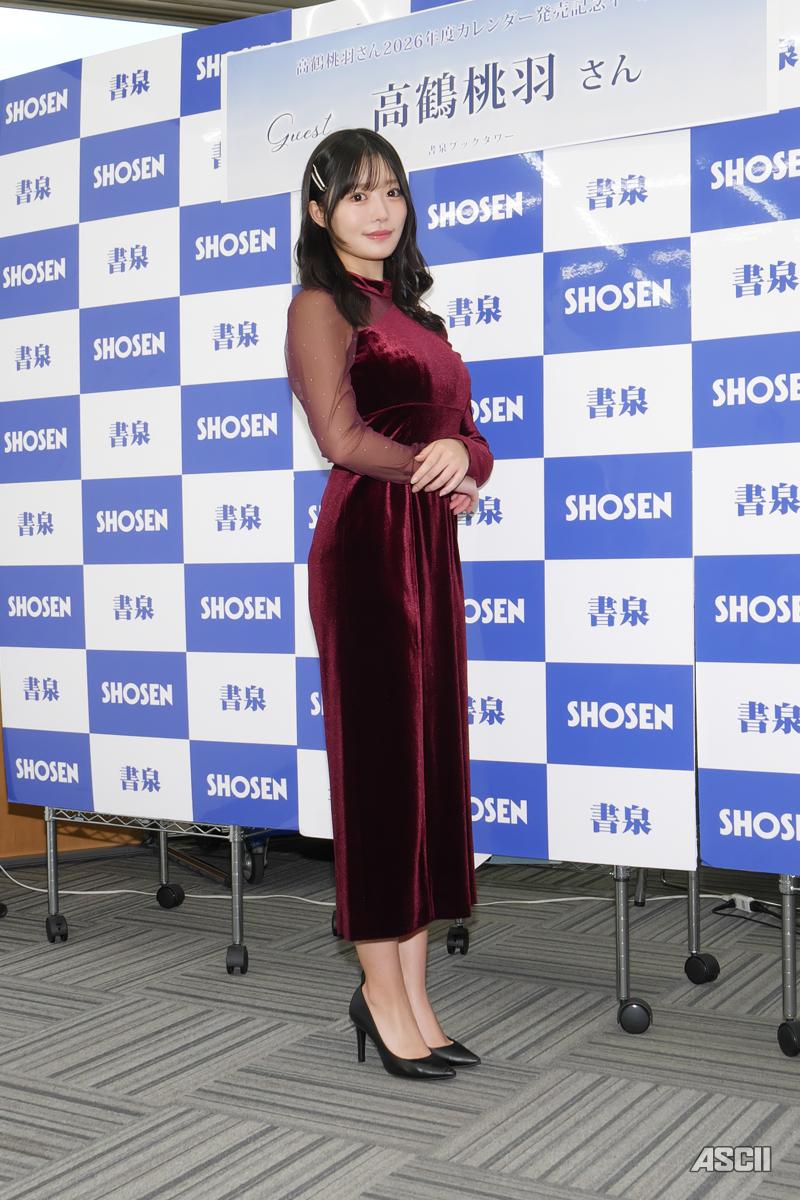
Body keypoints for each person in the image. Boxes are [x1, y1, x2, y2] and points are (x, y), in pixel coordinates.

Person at [284, 128, 494, 1081]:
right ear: (319, 211)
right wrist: (428, 463)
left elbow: (468, 435)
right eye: (357, 194)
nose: (380, 210)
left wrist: (463, 459)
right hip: (369, 548)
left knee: (423, 770)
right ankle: (380, 996)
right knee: (379, 776)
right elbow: (339, 436)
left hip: (427, 547)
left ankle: (416, 1001)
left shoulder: (421, 320)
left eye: (393, 192)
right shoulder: (320, 304)